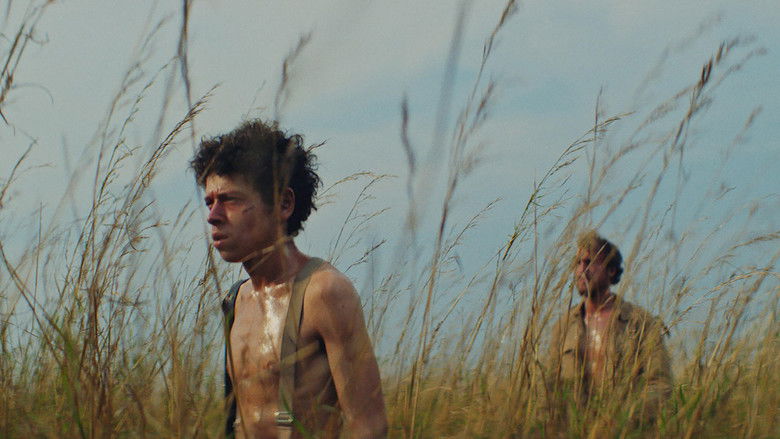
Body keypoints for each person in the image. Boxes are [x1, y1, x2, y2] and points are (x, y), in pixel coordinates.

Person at [191, 120, 387, 439]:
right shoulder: (234, 301)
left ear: (283, 204)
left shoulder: (323, 292)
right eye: (209, 202)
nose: (213, 216)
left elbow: (369, 426)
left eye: (229, 199)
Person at [543, 230, 672, 427]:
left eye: (589, 262)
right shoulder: (563, 327)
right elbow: (549, 388)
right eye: (577, 263)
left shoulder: (641, 323)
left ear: (611, 270)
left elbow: (660, 384)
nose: (581, 270)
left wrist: (624, 419)